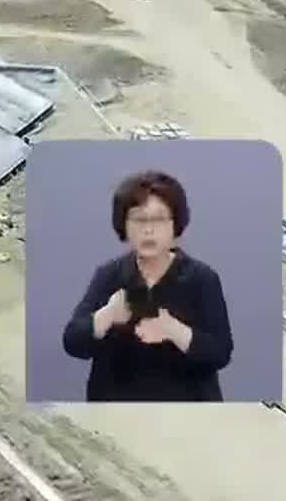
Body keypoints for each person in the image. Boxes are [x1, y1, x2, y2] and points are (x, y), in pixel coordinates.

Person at [61, 169, 233, 401]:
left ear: (176, 225)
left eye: (159, 219)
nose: (149, 230)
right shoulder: (110, 275)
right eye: (139, 220)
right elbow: (73, 343)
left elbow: (220, 353)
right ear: (124, 225)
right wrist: (108, 315)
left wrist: (173, 330)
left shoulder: (202, 278)